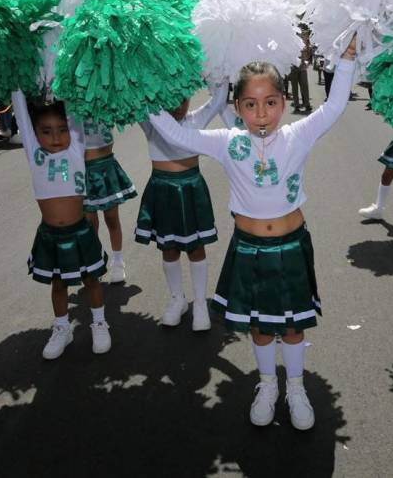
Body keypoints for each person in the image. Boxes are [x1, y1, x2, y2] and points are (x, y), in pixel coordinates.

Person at [146, 37, 357, 430]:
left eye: (271, 102)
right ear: (237, 108)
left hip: (291, 246)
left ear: (283, 101)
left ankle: (295, 386)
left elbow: (335, 107)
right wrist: (140, 89)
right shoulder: (228, 143)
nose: (262, 114)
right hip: (249, 248)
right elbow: (178, 136)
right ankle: (266, 385)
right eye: (251, 105)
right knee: (259, 325)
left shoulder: (298, 135)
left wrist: (345, 60)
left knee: (292, 325)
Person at [11, 90, 111, 359]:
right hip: (50, 235)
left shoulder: (76, 147)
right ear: (34, 133)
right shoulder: (34, 154)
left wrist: (63, 74)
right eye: (46, 131)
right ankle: (62, 328)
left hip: (80, 231)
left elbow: (74, 108)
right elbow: (20, 112)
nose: (56, 138)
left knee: (92, 279)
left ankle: (99, 323)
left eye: (61, 129)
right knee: (58, 284)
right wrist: (16, 85)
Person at [136, 84, 227, 331]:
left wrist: (221, 64)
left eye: (182, 97)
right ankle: (177, 299)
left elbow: (218, 99)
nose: (177, 104)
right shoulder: (152, 119)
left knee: (196, 247)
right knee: (169, 247)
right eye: (169, 96)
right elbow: (135, 98)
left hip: (191, 189)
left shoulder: (196, 118)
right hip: (162, 190)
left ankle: (199, 302)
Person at [83, 121, 137, 285]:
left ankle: (118, 261)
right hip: (82, 169)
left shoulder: (107, 97)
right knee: (89, 223)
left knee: (112, 217)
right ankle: (94, 263)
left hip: (106, 166)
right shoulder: (69, 102)